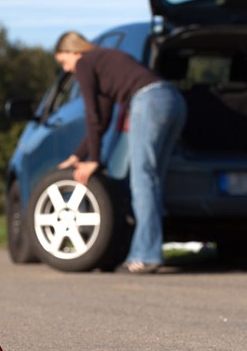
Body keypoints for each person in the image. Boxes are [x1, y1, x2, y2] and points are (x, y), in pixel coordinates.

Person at [54, 31, 187, 274]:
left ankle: (146, 255)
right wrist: (78, 155)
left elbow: (92, 116)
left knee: (142, 180)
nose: (68, 70)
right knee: (153, 181)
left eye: (64, 62)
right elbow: (102, 120)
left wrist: (94, 160)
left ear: (74, 51)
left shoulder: (85, 63)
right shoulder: (104, 60)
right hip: (173, 100)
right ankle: (144, 251)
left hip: (148, 102)